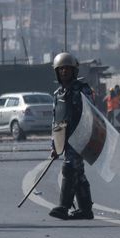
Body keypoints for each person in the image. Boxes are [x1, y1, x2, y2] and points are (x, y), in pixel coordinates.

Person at [48, 52, 95, 221]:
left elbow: (90, 113)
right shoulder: (58, 94)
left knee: (69, 168)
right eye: (61, 69)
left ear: (74, 71)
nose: (64, 72)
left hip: (79, 137)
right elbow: (56, 121)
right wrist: (54, 145)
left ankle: (63, 207)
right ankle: (85, 209)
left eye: (67, 69)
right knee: (78, 173)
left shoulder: (82, 89)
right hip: (64, 139)